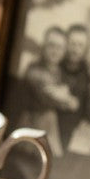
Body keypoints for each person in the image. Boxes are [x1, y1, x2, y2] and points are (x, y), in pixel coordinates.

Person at [16, 26, 78, 157]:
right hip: (32, 122)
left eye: (60, 47)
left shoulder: (60, 72)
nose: (55, 51)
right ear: (44, 46)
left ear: (64, 50)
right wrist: (66, 98)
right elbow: (52, 95)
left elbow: (70, 101)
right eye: (51, 45)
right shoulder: (34, 69)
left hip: (50, 123)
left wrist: (66, 98)